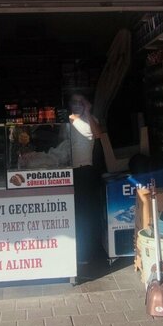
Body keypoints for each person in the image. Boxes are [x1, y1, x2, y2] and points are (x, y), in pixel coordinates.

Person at [68, 93, 103, 267]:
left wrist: (88, 111)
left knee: (85, 213)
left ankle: (86, 253)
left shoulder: (91, 120)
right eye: (74, 102)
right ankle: (76, 251)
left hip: (85, 170)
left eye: (80, 102)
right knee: (74, 213)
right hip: (70, 171)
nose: (77, 105)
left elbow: (98, 135)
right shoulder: (68, 120)